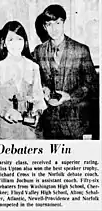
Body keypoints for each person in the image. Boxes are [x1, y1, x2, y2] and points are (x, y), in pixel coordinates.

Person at [33, 4, 97, 139]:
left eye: (57, 23)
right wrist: (43, 88)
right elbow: (37, 79)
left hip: (74, 124)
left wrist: (70, 96)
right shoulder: (38, 51)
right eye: (49, 24)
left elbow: (92, 85)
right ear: (44, 27)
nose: (54, 28)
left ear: (64, 23)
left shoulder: (80, 50)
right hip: (48, 124)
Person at [0, 21, 47, 140]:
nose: (16, 44)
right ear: (4, 43)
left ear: (25, 41)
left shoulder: (33, 67)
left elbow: (39, 100)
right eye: (11, 40)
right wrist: (4, 112)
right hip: (5, 134)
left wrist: (37, 113)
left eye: (19, 39)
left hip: (30, 133)